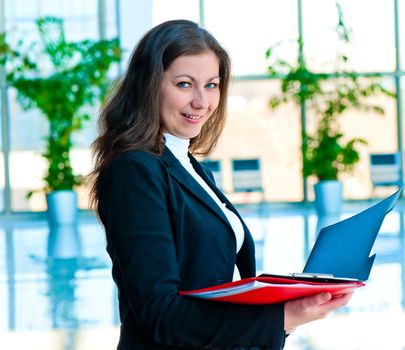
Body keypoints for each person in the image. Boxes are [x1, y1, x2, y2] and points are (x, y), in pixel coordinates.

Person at [90, 19, 353, 350]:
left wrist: (288, 298)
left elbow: (216, 279)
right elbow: (160, 312)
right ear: (149, 85)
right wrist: (282, 317)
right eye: (185, 84)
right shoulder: (133, 172)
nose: (202, 102)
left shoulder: (190, 167)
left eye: (211, 85)